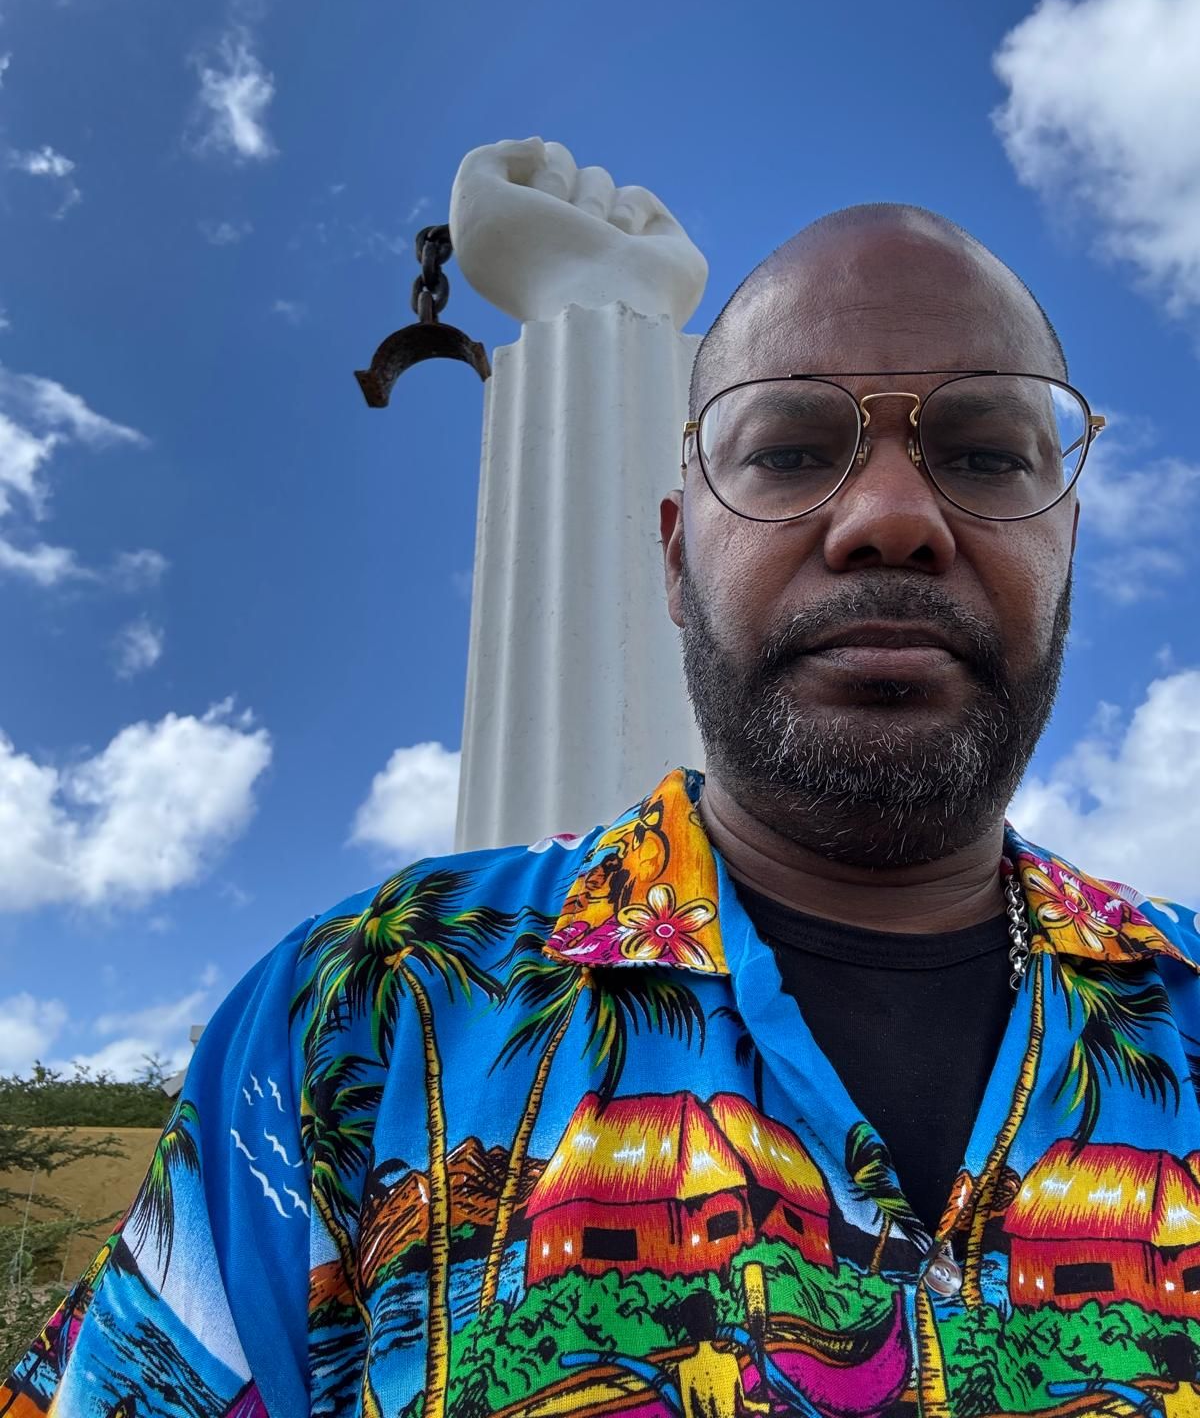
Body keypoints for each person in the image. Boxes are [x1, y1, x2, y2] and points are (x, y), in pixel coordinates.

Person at [6, 204, 1199, 1418]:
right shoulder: (364, 1011)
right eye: (791, 452)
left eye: (985, 457)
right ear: (676, 560)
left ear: (1068, 544)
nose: (890, 515)